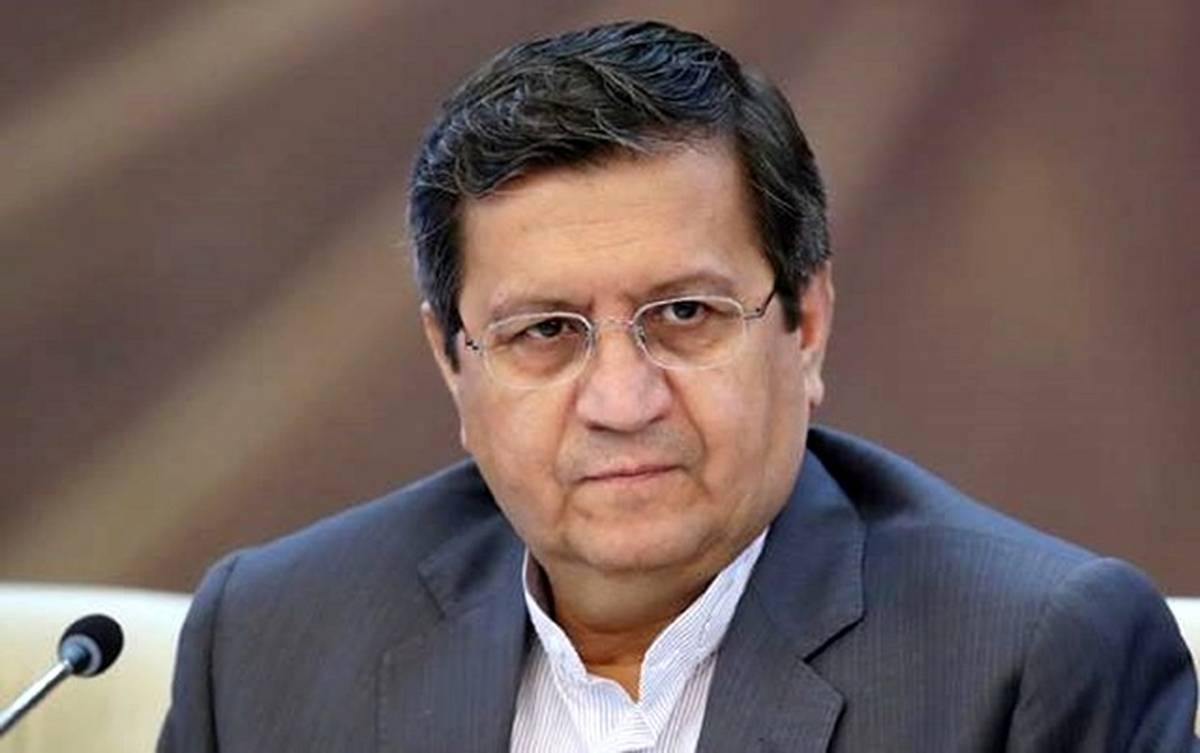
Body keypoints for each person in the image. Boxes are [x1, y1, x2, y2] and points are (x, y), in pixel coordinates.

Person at [158, 20, 1198, 752]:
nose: (622, 401)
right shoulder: (268, 639)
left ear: (805, 325)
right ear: (453, 360)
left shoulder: (1034, 661)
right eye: (545, 332)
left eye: (686, 314)